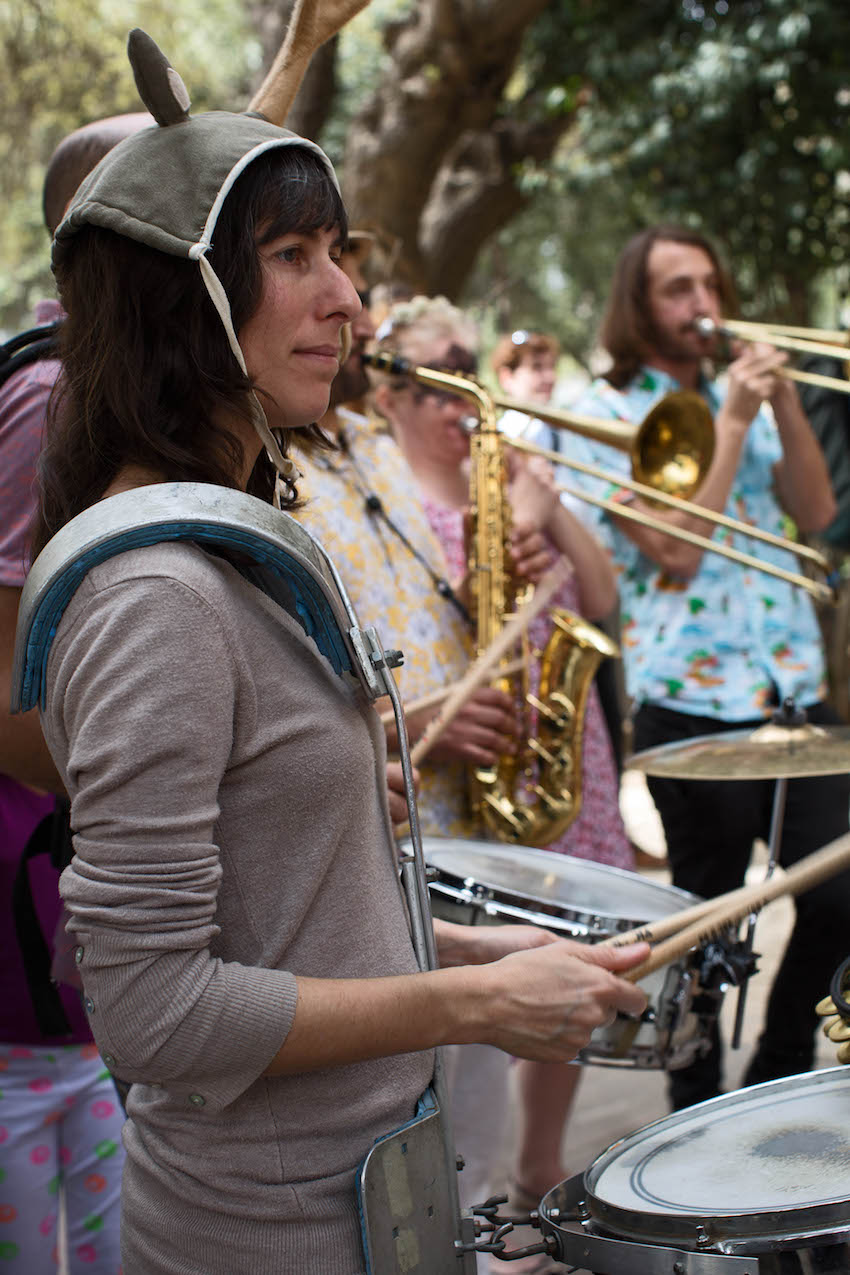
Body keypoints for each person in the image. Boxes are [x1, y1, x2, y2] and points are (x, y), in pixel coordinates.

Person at [21, 32, 649, 1274]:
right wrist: (466, 1006)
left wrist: (471, 950)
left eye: (340, 258)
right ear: (179, 299)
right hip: (257, 1235)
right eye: (294, 258)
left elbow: (280, 913)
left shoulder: (241, 551)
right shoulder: (159, 595)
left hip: (375, 1204)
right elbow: (153, 1014)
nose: (349, 302)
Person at [568, 223, 850, 1110]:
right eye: (678, 289)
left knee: (841, 896)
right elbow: (673, 552)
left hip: (792, 695)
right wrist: (730, 420)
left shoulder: (748, 399)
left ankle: (777, 1064)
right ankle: (693, 1109)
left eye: (709, 285)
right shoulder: (605, 412)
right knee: (708, 930)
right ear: (638, 308)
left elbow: (816, 510)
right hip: (692, 701)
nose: (704, 305)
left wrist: (783, 408)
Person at [368, 296, 633, 1239]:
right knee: (495, 976)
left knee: (575, 950)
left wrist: (547, 505)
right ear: (392, 392)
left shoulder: (513, 475)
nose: (463, 395)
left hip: (559, 742)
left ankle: (536, 1161)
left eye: (470, 366)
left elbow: (604, 598)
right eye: (443, 373)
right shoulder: (391, 503)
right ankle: (485, 1197)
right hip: (468, 781)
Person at [0, 112, 152, 1275]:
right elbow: (8, 697)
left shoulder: (118, 390)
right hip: (27, 926)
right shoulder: (52, 401)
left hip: (86, 990)